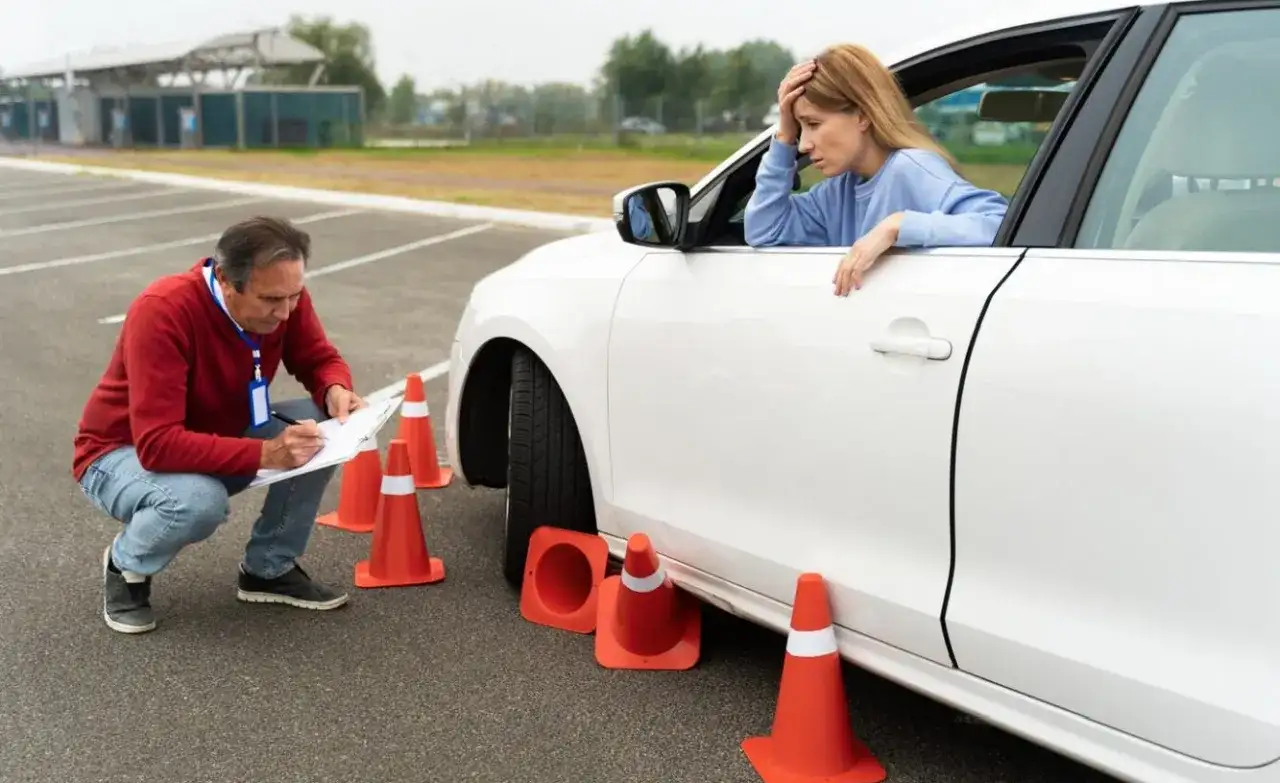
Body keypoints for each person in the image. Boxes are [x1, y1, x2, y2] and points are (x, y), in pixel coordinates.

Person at [73, 216, 367, 634]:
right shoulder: (163, 310)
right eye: (271, 300)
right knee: (198, 501)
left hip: (217, 432)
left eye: (294, 297)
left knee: (319, 425)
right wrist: (266, 453)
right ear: (228, 281)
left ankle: (268, 568)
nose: (284, 313)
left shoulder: (283, 296)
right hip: (120, 452)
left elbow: (319, 359)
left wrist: (335, 389)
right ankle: (127, 567)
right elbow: (157, 444)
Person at [744, 44, 1011, 296]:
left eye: (813, 124)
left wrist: (897, 226)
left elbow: (999, 225)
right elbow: (764, 230)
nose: (803, 145)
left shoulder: (911, 168)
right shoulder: (836, 192)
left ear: (862, 116)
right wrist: (784, 134)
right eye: (800, 129)